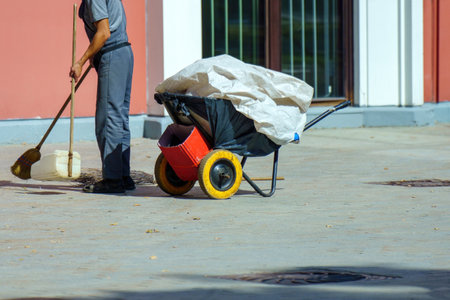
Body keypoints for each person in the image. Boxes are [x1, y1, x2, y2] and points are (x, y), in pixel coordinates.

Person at [70, 0, 135, 193]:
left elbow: (104, 32)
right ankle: (123, 176)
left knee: (108, 119)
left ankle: (113, 180)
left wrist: (80, 61)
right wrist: (94, 53)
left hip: (113, 54)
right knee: (120, 117)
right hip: (123, 52)